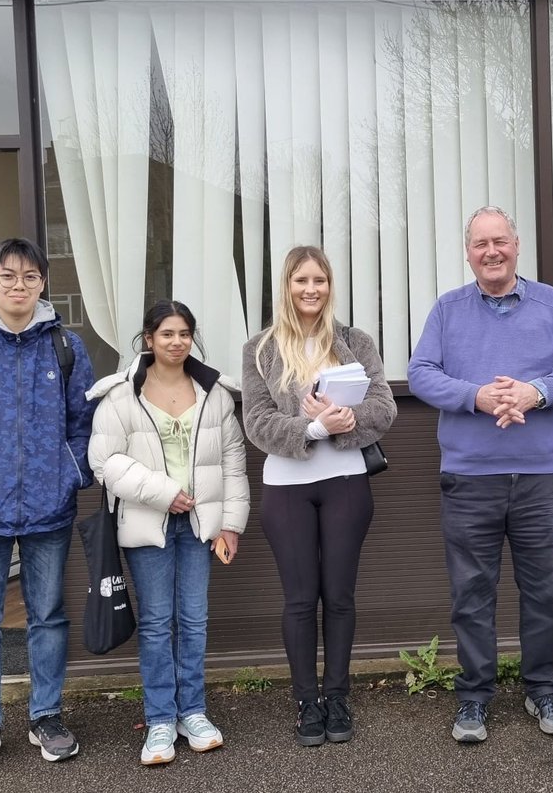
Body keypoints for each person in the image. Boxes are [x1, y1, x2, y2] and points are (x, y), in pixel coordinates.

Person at [407, 206, 553, 744]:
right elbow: (421, 373)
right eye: (480, 243)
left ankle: (544, 690)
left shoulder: (550, 304)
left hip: (540, 477)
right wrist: (478, 397)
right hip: (469, 480)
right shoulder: (447, 310)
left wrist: (533, 393)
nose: (491, 251)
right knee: (472, 594)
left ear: (517, 245)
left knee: (544, 593)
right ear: (468, 252)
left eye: (501, 241)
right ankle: (473, 698)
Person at [0, 238, 96, 778]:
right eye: (8, 276)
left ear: (41, 285)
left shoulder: (66, 347)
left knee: (48, 617)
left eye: (30, 277)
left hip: (47, 507)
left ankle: (46, 716)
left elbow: (84, 423)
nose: (18, 286)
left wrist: (70, 474)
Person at [242, 246, 396, 747]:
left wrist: (349, 421)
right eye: (301, 281)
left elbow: (384, 405)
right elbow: (257, 422)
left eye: (321, 281)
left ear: (330, 286)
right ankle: (307, 702)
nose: (311, 290)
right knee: (300, 600)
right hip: (286, 487)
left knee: (341, 597)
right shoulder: (260, 349)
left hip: (347, 482)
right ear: (286, 286)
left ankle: (337, 696)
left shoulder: (354, 341)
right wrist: (311, 425)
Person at [87, 300, 250, 765]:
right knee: (158, 624)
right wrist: (162, 493)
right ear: (148, 338)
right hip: (147, 522)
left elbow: (233, 463)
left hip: (200, 525)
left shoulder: (214, 392)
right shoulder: (122, 394)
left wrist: (231, 524)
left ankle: (193, 712)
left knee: (194, 621)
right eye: (166, 334)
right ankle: (160, 719)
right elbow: (105, 461)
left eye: (184, 333)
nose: (176, 342)